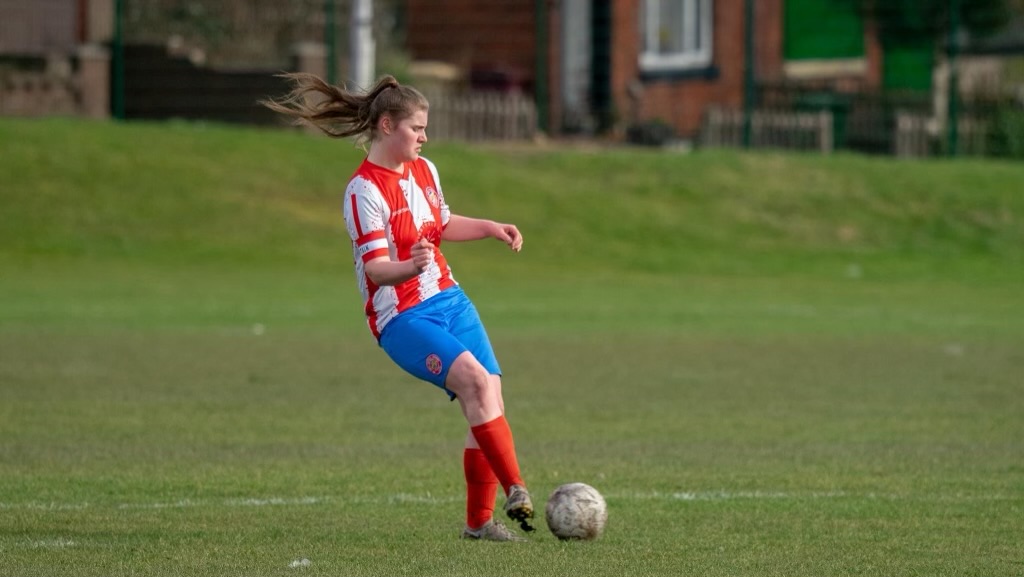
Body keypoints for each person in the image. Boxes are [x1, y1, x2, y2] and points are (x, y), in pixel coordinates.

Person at [262, 73, 534, 542]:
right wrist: (411, 266)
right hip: (401, 317)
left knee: (488, 391)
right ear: (387, 126)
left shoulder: (425, 170)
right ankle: (517, 488)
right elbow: (377, 271)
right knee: (473, 381)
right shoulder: (363, 191)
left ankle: (478, 524)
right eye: (417, 128)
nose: (425, 137)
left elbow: (443, 222)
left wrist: (490, 226)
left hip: (449, 297)